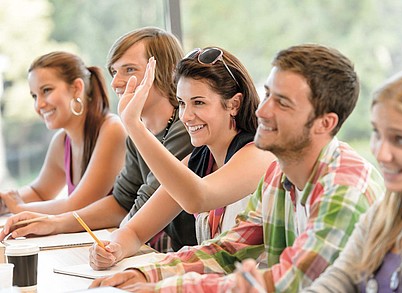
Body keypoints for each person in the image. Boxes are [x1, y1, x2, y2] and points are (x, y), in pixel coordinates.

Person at [89, 44, 385, 292]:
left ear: (325, 123)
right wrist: (145, 277)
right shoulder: (278, 176)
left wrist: (161, 287)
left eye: (281, 102)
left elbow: (290, 282)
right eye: (267, 94)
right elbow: (227, 251)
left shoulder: (344, 185)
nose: (262, 110)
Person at [0, 27, 197, 252]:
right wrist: (54, 223)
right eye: (114, 72)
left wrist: (112, 241)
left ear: (168, 72)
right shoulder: (137, 134)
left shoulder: (185, 130)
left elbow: (143, 204)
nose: (115, 83)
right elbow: (121, 202)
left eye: (129, 69)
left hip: (190, 254)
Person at [88, 46, 275, 270]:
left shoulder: (259, 154)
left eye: (198, 102)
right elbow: (135, 231)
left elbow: (198, 197)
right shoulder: (198, 161)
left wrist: (135, 126)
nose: (185, 116)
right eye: (182, 103)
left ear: (233, 104)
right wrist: (113, 249)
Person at [300, 67, 402, 292]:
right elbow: (337, 281)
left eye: (400, 139)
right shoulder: (381, 216)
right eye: (377, 133)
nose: (381, 153)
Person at [0, 51, 126, 215]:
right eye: (34, 96)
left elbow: (79, 205)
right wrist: (4, 202)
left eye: (46, 90)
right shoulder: (62, 141)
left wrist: (19, 208)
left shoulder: (111, 129)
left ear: (76, 88)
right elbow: (40, 193)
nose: (39, 105)